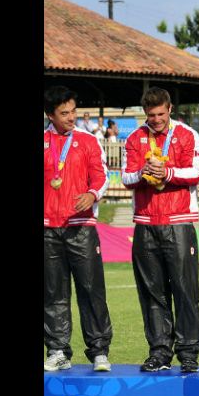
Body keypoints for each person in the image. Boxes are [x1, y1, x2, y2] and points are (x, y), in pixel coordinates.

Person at [122, 87, 199, 374]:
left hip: (179, 221)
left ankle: (189, 352)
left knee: (185, 291)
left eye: (160, 114)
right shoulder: (135, 138)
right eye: (150, 115)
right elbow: (126, 177)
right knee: (152, 294)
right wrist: (145, 171)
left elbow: (195, 172)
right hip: (145, 224)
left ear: (169, 109)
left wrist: (166, 172)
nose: (155, 120)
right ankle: (159, 352)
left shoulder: (187, 135)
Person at [43, 86, 113, 372]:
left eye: (73, 111)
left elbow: (102, 175)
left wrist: (93, 194)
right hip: (48, 228)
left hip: (81, 226)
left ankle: (98, 351)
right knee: (53, 293)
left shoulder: (88, 141)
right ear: (50, 115)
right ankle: (58, 350)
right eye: (64, 113)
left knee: (91, 289)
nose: (71, 117)